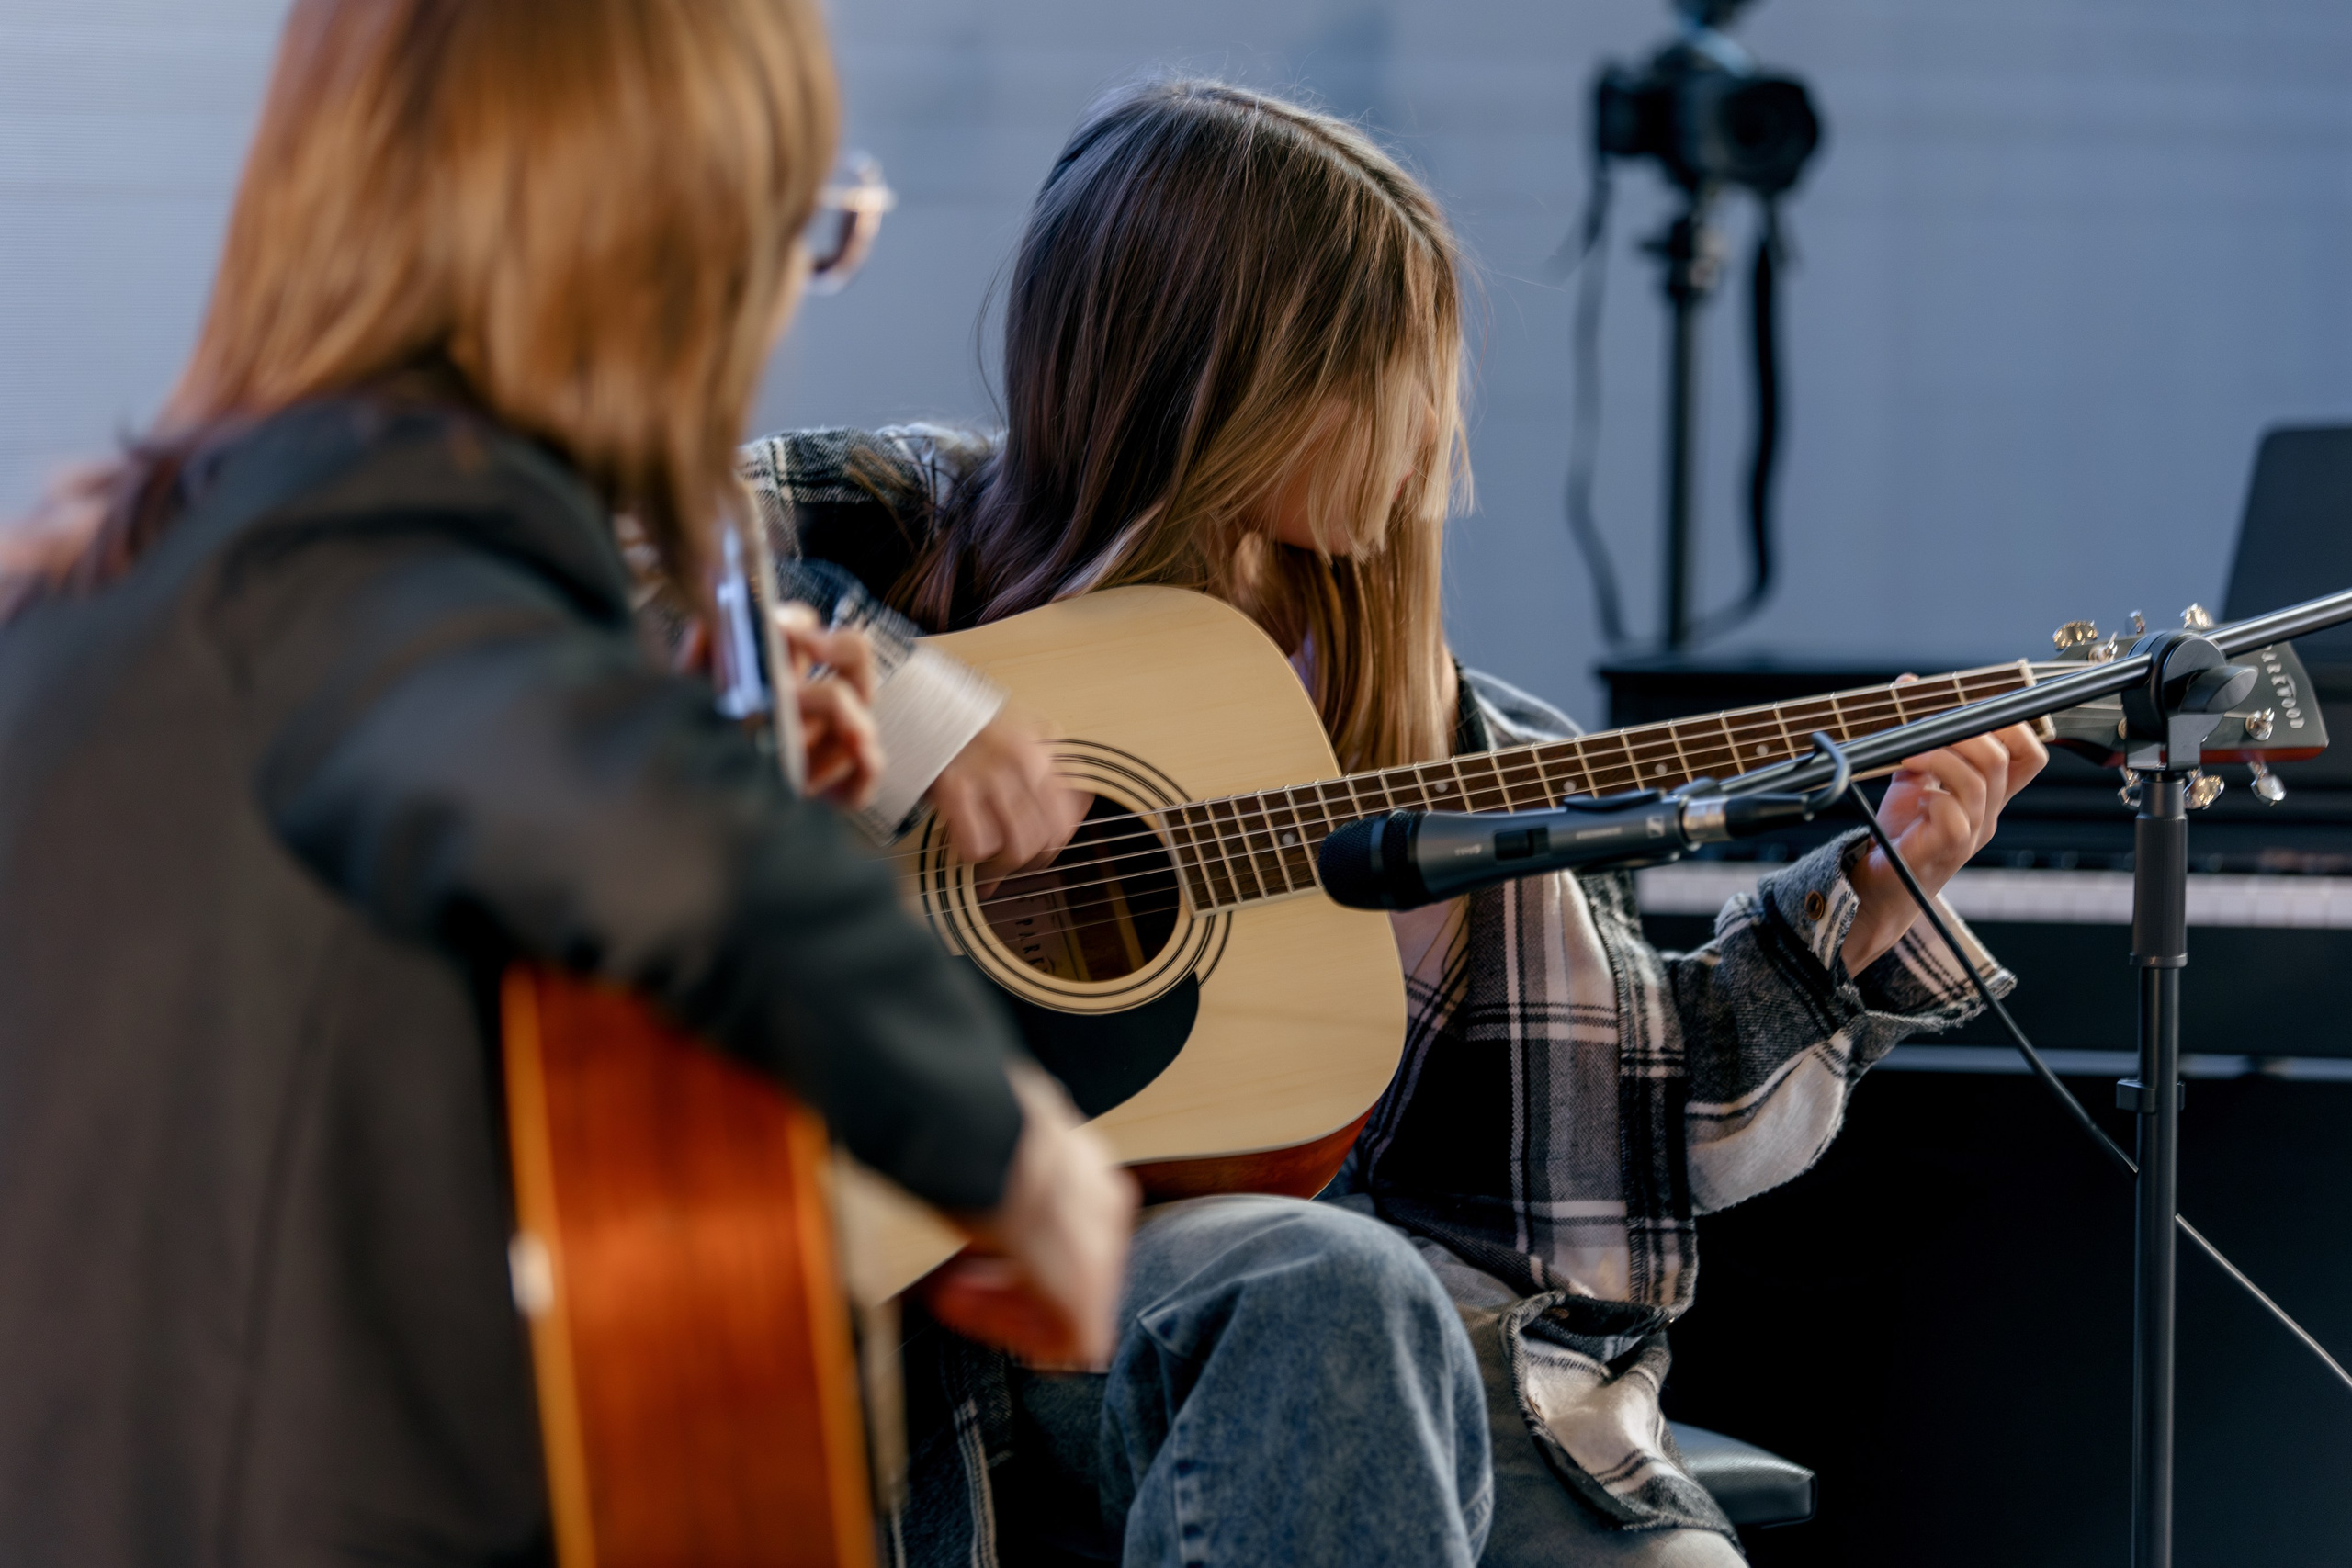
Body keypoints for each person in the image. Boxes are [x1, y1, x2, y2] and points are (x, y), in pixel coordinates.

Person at [743, 78, 2049, 1568]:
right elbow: (597, 573)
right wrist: (924, 725)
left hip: (1434, 1353)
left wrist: (1866, 906)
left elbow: (1647, 1128)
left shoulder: (1448, 746)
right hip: (990, 1318)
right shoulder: (895, 531)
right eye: (1385, 373)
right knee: (1322, 1282)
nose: (1435, 426)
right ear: (1217, 383)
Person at [0, 4, 1133, 1563]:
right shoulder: (384, 560)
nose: (781, 317)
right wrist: (1014, 1154)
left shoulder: (142, 576)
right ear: (653, 244)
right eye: (794, 237)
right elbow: (645, 843)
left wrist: (672, 736)